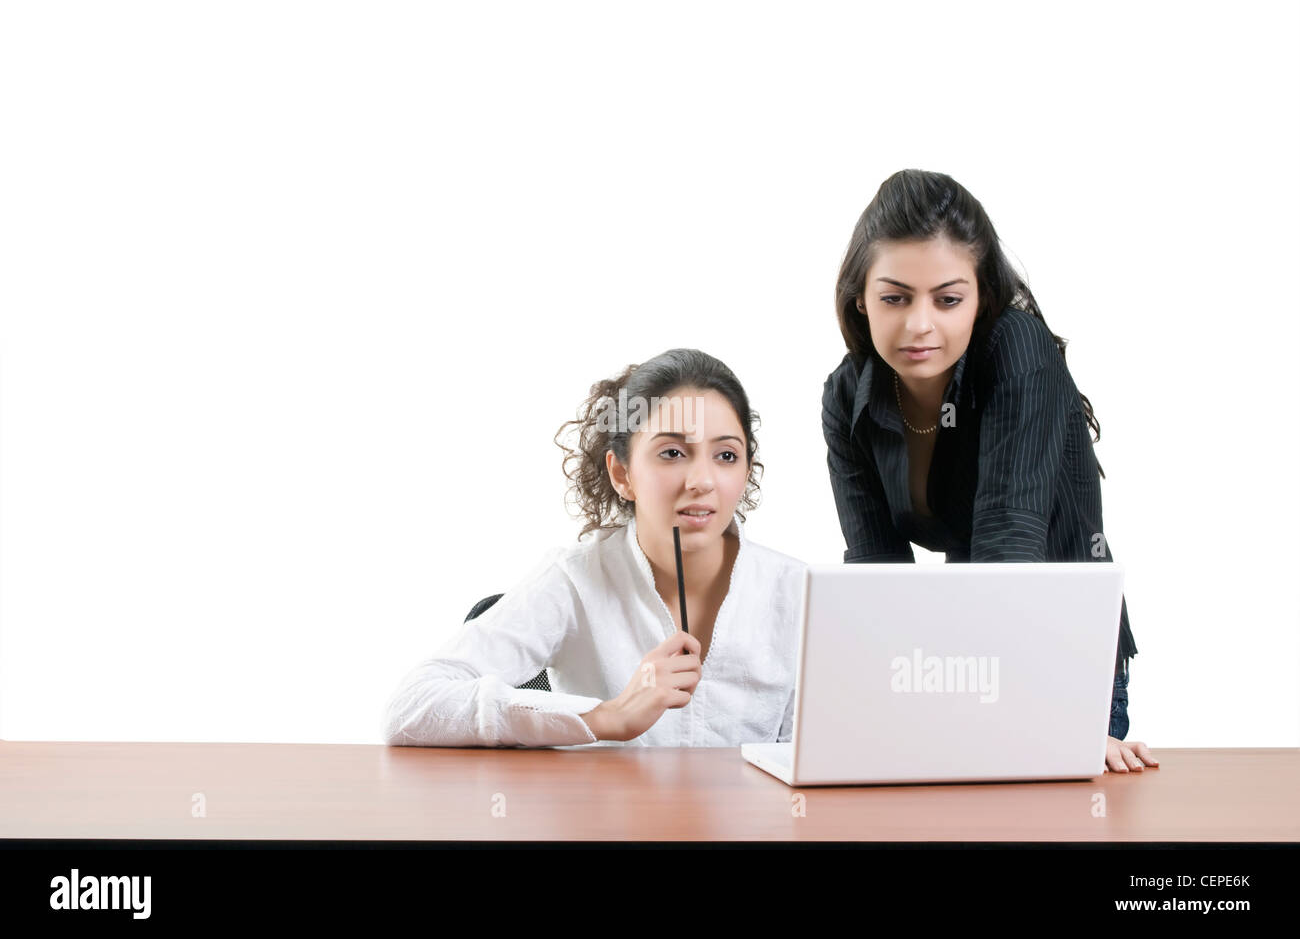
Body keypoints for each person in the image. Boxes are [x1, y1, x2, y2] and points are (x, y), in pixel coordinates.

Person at [822, 169, 1158, 774]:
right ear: (860, 299)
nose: (920, 324)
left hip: (1059, 656)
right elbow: (877, 573)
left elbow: (1008, 552)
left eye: (948, 299)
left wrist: (1058, 722)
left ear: (980, 298)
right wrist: (881, 711)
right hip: (958, 655)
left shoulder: (1016, 349)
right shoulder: (848, 397)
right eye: (894, 297)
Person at [382, 348, 806, 747]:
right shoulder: (576, 579)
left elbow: (819, 756)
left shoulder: (799, 592)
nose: (702, 480)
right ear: (622, 474)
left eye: (727, 456)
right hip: (603, 825)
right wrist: (606, 716)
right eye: (673, 452)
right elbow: (410, 708)